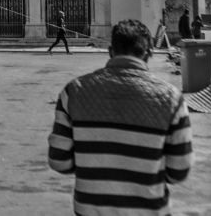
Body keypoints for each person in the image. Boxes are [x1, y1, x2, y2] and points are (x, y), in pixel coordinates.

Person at [48, 19, 192, 215]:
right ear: (148, 53)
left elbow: (59, 160)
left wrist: (94, 166)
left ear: (110, 51)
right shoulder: (172, 99)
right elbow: (179, 171)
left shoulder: (73, 92)